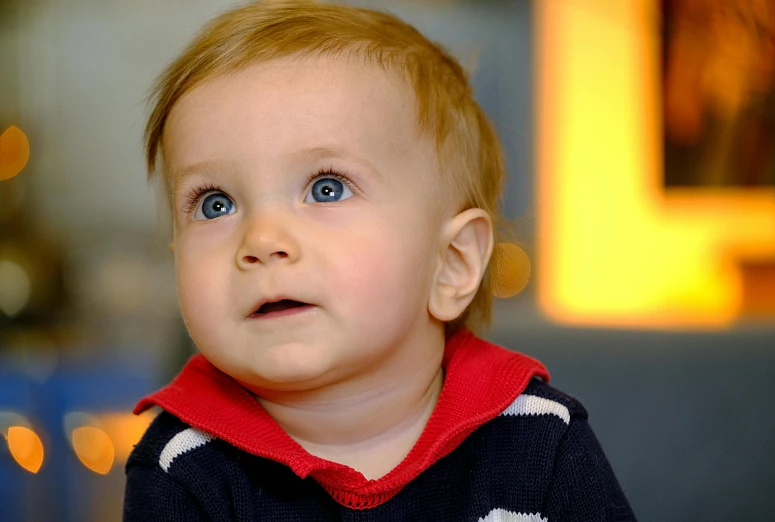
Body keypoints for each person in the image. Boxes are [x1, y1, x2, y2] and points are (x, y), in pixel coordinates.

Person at [123, 2, 636, 520]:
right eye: (216, 204)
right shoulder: (181, 463)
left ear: (451, 263)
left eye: (327, 188)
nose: (260, 239)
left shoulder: (540, 440)